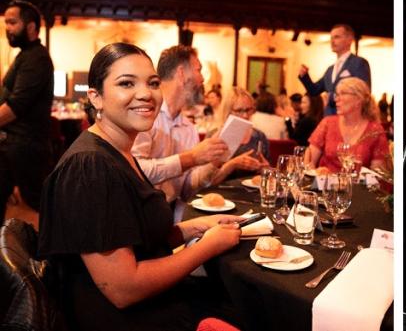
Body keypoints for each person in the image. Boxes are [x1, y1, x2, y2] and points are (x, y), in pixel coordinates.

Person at [36, 42, 243, 331]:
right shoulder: (90, 166)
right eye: (126, 83)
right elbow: (124, 288)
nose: (145, 94)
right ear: (96, 97)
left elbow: (140, 240)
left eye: (153, 82)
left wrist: (197, 227)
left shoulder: (119, 152)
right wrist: (208, 246)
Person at [132, 45, 262, 223]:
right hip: (138, 216)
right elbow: (136, 172)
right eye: (199, 70)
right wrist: (192, 157)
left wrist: (215, 161)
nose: (203, 79)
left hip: (170, 215)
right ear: (181, 73)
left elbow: (187, 189)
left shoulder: (188, 127)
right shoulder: (145, 112)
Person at [0, 0, 53, 219]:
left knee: (39, 210)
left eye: (13, 22)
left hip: (25, 148)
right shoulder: (26, 55)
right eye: (6, 22)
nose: (7, 28)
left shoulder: (36, 58)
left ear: (30, 27)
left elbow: (15, 107)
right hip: (15, 147)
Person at [303, 77, 387, 172]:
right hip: (325, 185)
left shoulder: (375, 130)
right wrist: (315, 173)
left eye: (342, 94)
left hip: (357, 186)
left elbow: (379, 174)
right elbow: (309, 160)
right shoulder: (328, 123)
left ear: (359, 99)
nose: (336, 99)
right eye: (336, 95)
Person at [298, 24, 371, 115]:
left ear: (349, 40)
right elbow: (314, 91)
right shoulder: (330, 69)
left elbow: (363, 92)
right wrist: (304, 76)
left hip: (348, 118)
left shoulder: (359, 63)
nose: (332, 41)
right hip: (329, 118)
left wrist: (331, 97)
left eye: (337, 37)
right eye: (331, 38)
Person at [214, 87, 270, 181]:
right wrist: (233, 164)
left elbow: (268, 175)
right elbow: (208, 181)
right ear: (228, 111)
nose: (245, 115)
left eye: (248, 110)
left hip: (252, 192)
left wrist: (265, 169)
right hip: (222, 191)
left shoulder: (259, 136)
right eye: (239, 110)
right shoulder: (216, 137)